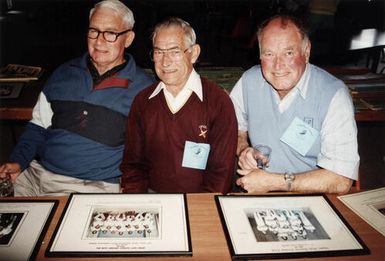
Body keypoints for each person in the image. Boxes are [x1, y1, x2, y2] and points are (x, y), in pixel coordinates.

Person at [0, 0, 154, 196]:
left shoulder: (144, 89)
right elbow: (38, 126)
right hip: (36, 177)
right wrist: (18, 161)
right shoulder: (63, 73)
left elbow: (150, 154)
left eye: (110, 33)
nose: (99, 41)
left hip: (94, 187)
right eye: (94, 31)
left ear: (129, 38)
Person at [230, 14, 359, 194]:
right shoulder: (248, 82)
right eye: (269, 54)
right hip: (257, 189)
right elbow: (234, 128)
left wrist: (275, 183)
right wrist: (243, 149)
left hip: (312, 196)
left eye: (288, 53)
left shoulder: (333, 95)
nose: (278, 65)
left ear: (306, 52)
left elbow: (341, 180)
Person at [120, 17, 237, 193]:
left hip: (200, 202)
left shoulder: (218, 101)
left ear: (194, 53)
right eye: (158, 52)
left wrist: (199, 210)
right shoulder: (143, 102)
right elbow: (133, 165)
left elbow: (221, 173)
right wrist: (138, 202)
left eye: (174, 52)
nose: (165, 62)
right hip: (152, 199)